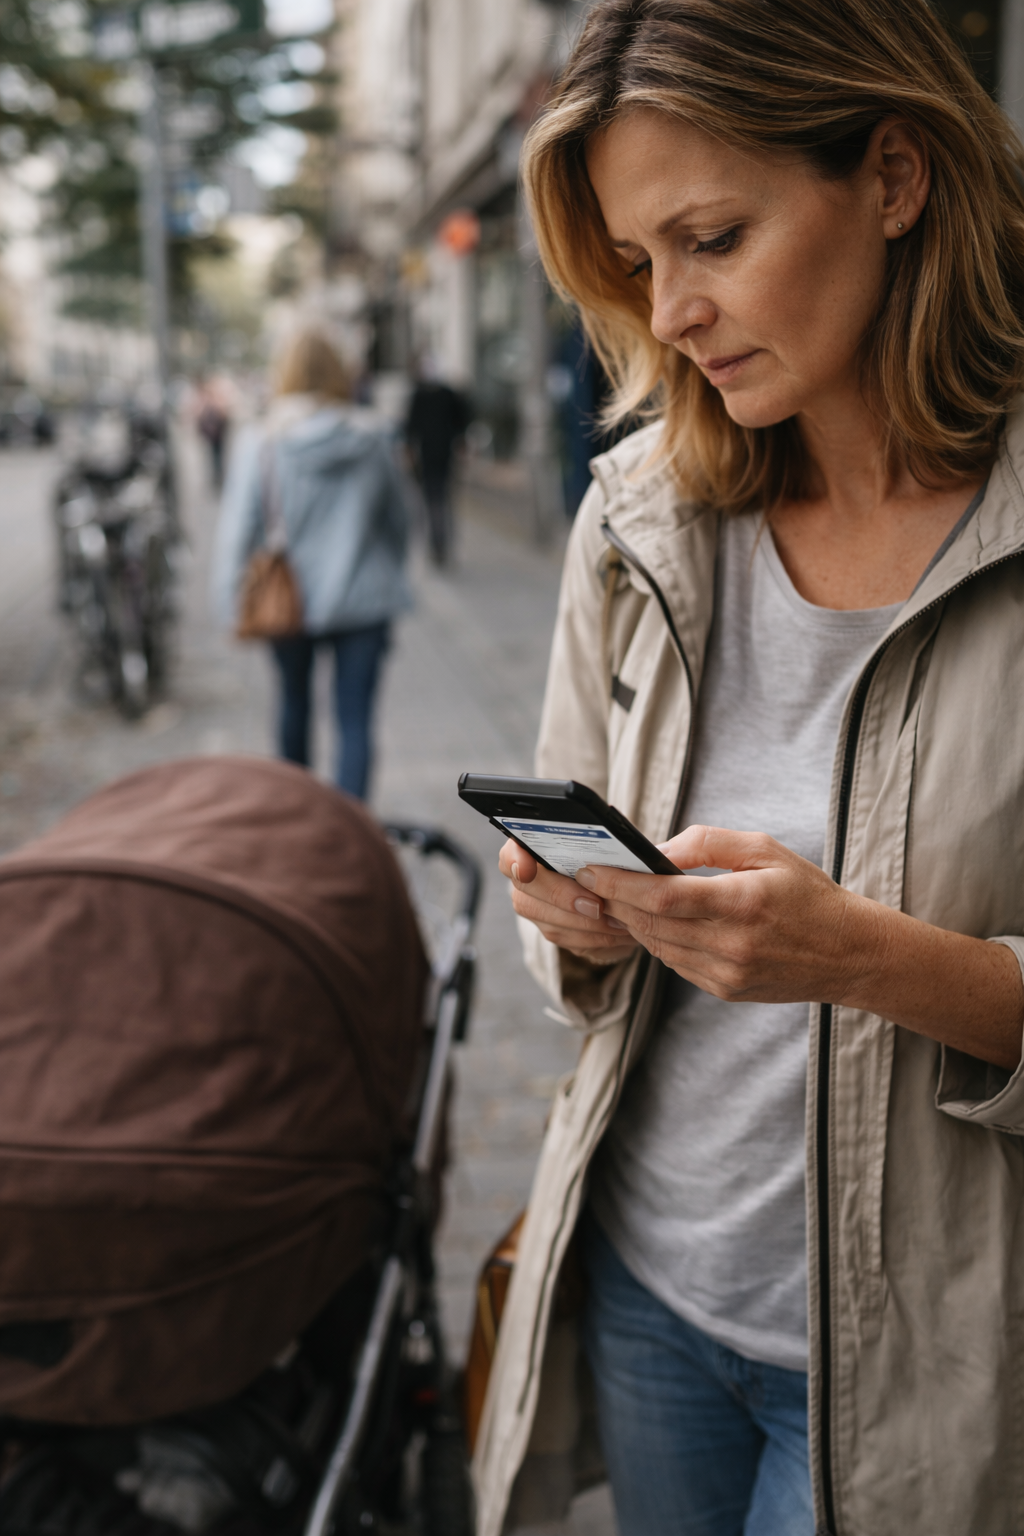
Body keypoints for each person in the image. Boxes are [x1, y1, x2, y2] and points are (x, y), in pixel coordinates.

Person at [471, 5, 1024, 1536]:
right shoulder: (641, 514)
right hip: (657, 1281)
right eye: (641, 266)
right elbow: (557, 894)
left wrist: (869, 960)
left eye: (713, 237)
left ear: (896, 173)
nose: (677, 313)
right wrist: (574, 918)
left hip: (945, 1365)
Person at [213, 331, 410, 800]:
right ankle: (353, 836)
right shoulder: (375, 437)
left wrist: (228, 605)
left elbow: (239, 530)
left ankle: (298, 823)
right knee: (356, 720)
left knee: (294, 706)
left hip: (288, 599)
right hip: (365, 598)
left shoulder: (260, 442)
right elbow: (400, 521)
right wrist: (390, 567)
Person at [404, 358, 469, 565]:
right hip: (437, 455)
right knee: (438, 498)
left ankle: (439, 542)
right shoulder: (439, 395)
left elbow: (410, 426)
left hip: (436, 455)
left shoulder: (427, 395)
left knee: (435, 499)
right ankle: (439, 541)